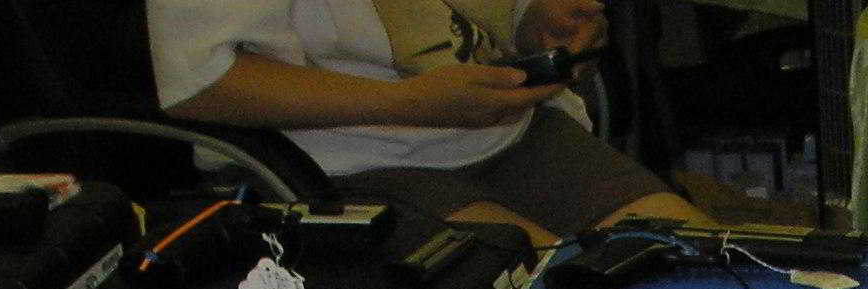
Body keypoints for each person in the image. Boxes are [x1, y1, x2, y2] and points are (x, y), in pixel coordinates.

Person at [147, 0, 700, 245]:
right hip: (337, 161)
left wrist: (535, 18)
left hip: (500, 125)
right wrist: (408, 104)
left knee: (705, 281)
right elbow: (203, 84)